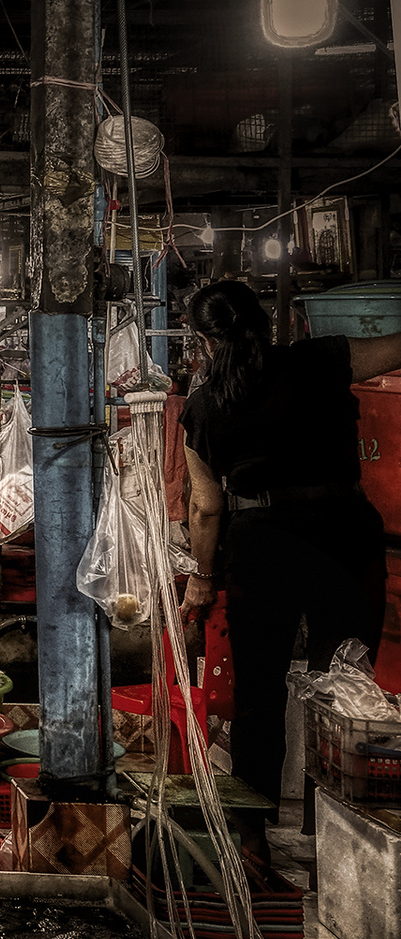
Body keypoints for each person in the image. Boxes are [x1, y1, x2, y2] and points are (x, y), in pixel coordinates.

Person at [180, 280, 401, 813]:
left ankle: (255, 838)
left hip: (262, 545)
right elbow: (394, 348)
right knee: (345, 686)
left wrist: (201, 578)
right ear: (264, 322)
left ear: (204, 341)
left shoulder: (205, 406)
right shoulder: (319, 359)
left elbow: (206, 507)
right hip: (344, 534)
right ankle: (331, 826)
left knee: (260, 694)